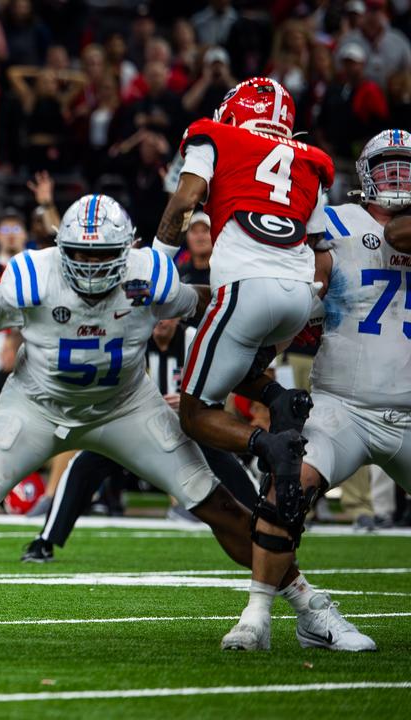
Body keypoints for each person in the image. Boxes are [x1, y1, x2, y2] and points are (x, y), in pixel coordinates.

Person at [0, 195, 360, 650]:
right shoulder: (33, 273)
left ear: (127, 249)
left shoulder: (149, 274)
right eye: (80, 256)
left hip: (127, 405)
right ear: (60, 248)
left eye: (103, 255)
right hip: (36, 405)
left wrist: (258, 303)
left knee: (214, 501)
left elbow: (203, 305)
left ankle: (309, 605)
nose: (90, 266)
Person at [222, 129, 411, 652]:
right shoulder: (334, 223)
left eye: (407, 166)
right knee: (287, 485)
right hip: (343, 405)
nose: (399, 177)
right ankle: (257, 613)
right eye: (390, 166)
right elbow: (310, 286)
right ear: (366, 173)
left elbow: (400, 236)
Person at [154, 78, 335, 599]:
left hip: (244, 289)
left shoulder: (213, 133)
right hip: (298, 295)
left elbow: (187, 196)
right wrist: (312, 304)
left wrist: (160, 262)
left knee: (193, 412)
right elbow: (321, 250)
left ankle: (269, 446)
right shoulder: (313, 159)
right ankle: (281, 401)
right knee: (247, 372)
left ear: (234, 111)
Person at [21, 315, 260, 563]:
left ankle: (267, 527)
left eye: (167, 316)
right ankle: (46, 540)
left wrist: (198, 399)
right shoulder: (133, 341)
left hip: (189, 422)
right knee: (85, 463)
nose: (160, 322)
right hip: (138, 425)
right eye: (156, 315)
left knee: (225, 463)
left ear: (178, 316)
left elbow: (226, 384)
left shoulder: (194, 340)